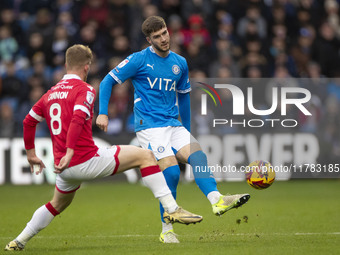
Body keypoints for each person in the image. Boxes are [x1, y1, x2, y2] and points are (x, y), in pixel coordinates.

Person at [4, 44, 202, 251]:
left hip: (63, 167)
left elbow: (28, 121)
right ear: (87, 67)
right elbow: (78, 118)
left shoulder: (50, 94)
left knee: (57, 204)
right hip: (84, 159)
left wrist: (31, 154)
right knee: (146, 156)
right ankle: (172, 208)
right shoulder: (86, 89)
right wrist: (71, 149)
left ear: (65, 64)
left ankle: (18, 241)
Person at [96, 16, 250, 244]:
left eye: (165, 33)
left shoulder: (180, 63)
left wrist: (186, 130)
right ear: (149, 39)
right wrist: (103, 112)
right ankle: (166, 230)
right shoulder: (138, 60)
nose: (163, 38)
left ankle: (217, 201)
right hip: (149, 127)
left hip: (173, 124)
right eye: (157, 36)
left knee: (198, 157)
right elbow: (107, 81)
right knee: (171, 173)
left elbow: (184, 98)